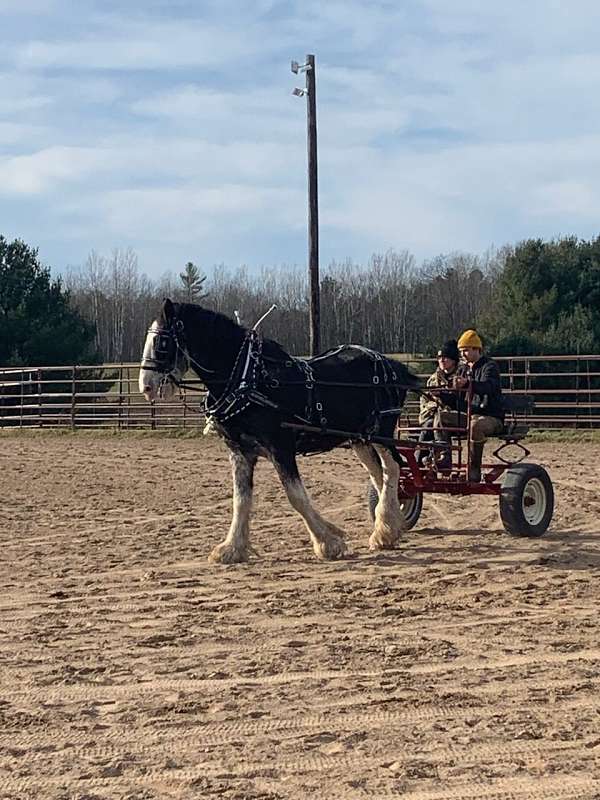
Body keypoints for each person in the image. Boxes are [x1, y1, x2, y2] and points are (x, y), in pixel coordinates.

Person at [436, 329, 504, 482]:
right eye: (461, 351)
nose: (462, 354)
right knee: (441, 417)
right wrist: (442, 395)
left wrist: (468, 383)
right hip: (469, 414)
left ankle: (473, 470)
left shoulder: (490, 367)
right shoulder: (463, 369)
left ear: (476, 349)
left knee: (475, 426)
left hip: (491, 417)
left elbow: (489, 387)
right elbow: (457, 399)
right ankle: (445, 457)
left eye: (465, 350)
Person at [418, 339, 461, 467]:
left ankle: (422, 462)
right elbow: (424, 402)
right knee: (429, 425)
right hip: (432, 415)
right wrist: (432, 408)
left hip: (454, 416)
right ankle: (421, 462)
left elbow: (461, 399)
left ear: (454, 360)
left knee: (430, 426)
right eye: (439, 357)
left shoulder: (461, 377)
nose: (442, 360)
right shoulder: (433, 379)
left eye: (446, 357)